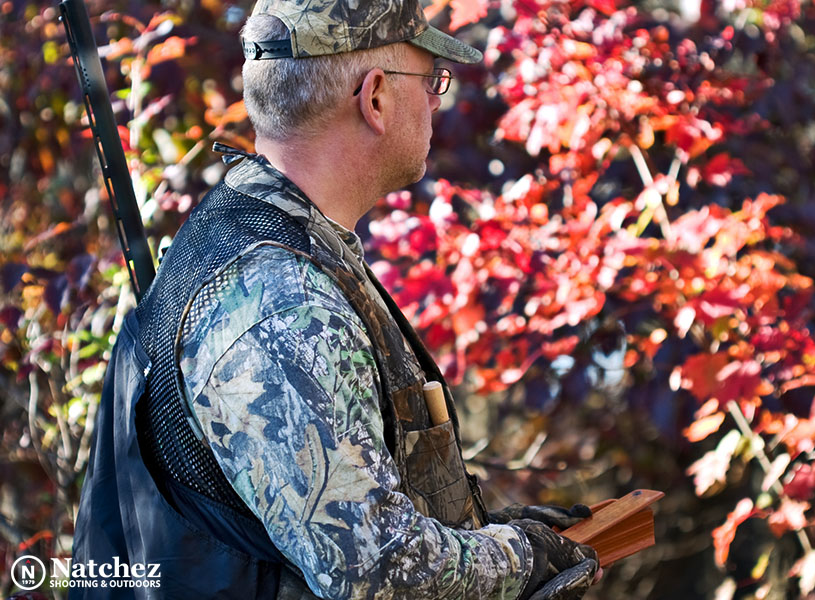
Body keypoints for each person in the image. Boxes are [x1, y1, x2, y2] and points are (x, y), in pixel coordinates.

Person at [72, 1, 600, 598]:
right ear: (374, 98)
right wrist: (521, 559)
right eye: (431, 80)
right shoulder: (280, 305)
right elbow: (375, 571)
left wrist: (490, 535)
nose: (436, 101)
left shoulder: (262, 235)